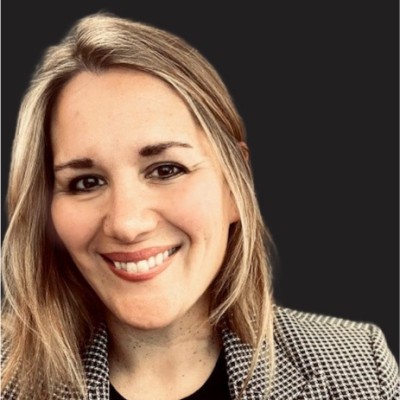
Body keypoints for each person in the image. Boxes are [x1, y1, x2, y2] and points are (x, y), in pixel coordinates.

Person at [1, 11, 398, 400]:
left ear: (234, 185)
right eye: (86, 182)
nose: (126, 223)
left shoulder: (358, 369)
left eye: (166, 170)